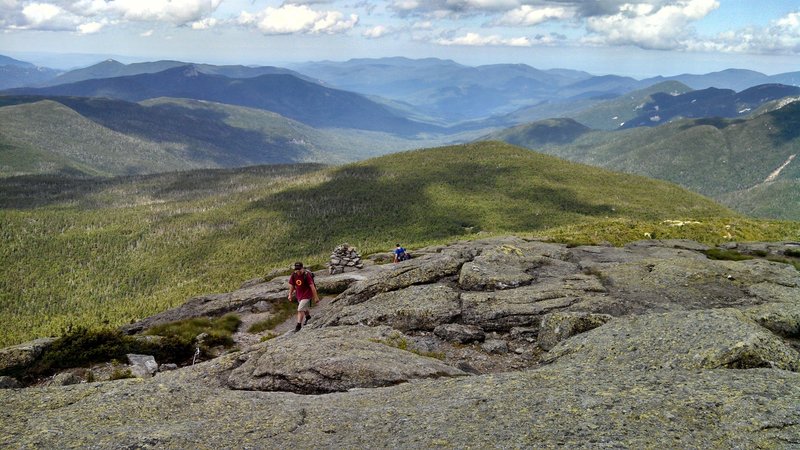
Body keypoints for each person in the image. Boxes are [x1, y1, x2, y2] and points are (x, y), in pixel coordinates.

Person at [288, 262, 319, 332]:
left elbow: (312, 286)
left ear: (302, 268)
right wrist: (290, 294)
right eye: (296, 269)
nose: (298, 271)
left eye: (299, 269)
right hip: (299, 294)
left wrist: (316, 297)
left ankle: (298, 326)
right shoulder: (294, 275)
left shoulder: (306, 275)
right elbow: (292, 285)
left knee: (300, 309)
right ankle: (308, 317)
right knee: (304, 308)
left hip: (307, 294)